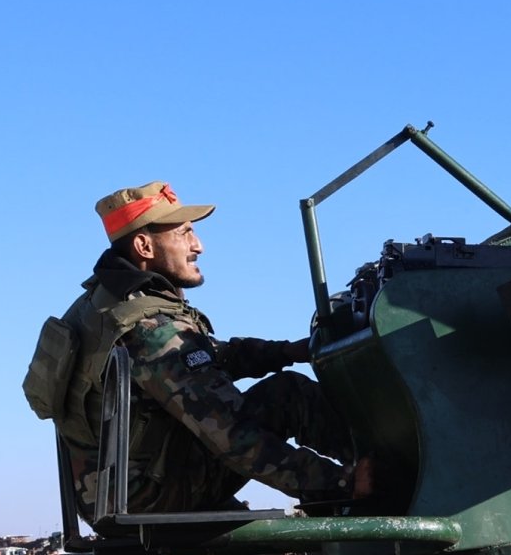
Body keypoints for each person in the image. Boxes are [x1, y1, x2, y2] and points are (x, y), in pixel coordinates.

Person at [22, 182, 363, 517]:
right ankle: (390, 476)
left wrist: (288, 351)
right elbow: (234, 437)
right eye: (183, 233)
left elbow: (208, 356)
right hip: (153, 494)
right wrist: (344, 481)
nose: (197, 245)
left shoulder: (100, 307)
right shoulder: (150, 327)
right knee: (290, 395)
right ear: (144, 246)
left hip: (108, 493)